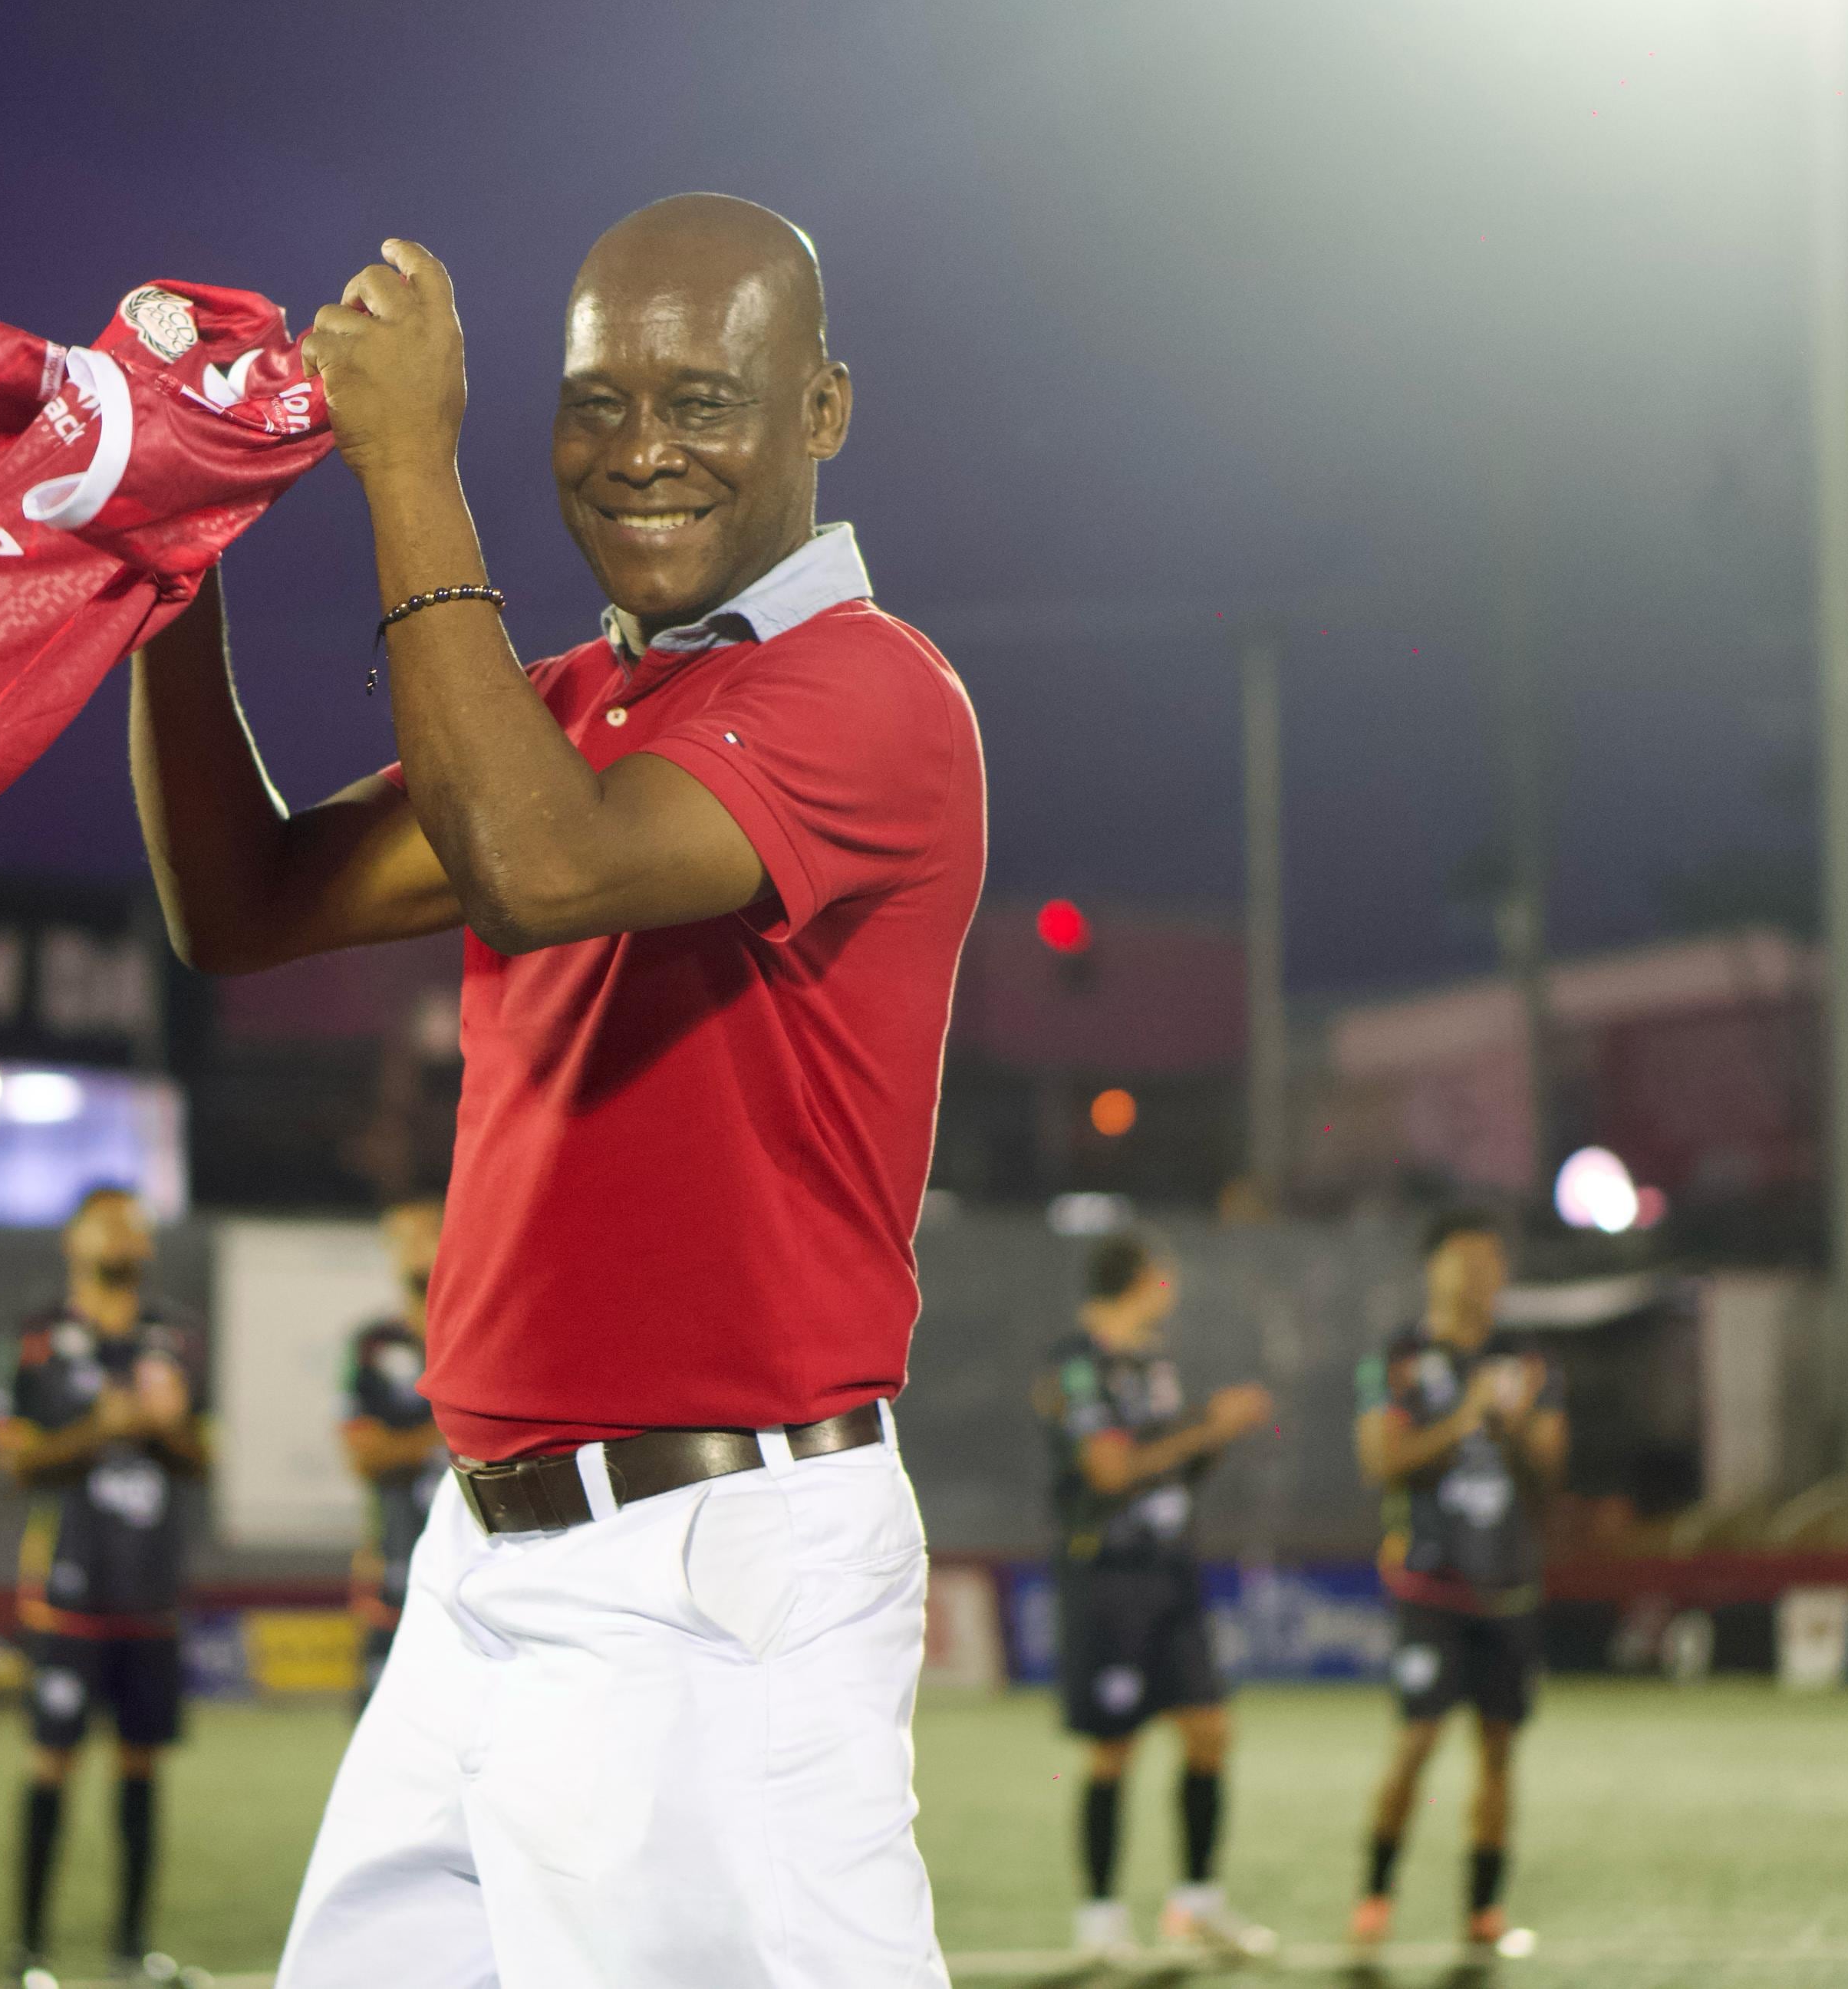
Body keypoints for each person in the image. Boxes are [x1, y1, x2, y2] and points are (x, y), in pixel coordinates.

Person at [130, 193, 986, 1985]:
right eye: (598, 401)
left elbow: (540, 866)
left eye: (703, 398)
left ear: (822, 413)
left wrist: (406, 470)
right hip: (493, 1557)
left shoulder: (874, 694)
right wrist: (169, 562)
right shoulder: (578, 702)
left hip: (706, 1574)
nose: (641, 449)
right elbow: (243, 906)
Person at [0, 1184, 210, 1986]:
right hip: (67, 1588)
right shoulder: (37, 1339)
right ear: (74, 1238)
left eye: (135, 1223)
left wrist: (167, 1425)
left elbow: (202, 1455)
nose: (126, 1233)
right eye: (109, 1219)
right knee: (51, 1762)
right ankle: (31, 1950)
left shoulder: (174, 1337)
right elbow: (10, 1459)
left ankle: (129, 1949)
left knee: (141, 1766)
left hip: (149, 1588)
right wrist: (99, 1428)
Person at [1035, 1230, 1278, 1959]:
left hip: (1171, 1568)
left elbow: (1164, 1469)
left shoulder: (1155, 1364)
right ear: (1137, 1279)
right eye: (1162, 1272)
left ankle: (1197, 1907)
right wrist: (1208, 1427)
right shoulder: (1077, 1365)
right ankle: (1100, 1925)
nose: (1170, 1284)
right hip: (1109, 1574)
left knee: (1209, 1731)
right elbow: (1110, 1472)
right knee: (1115, 1748)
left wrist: (1213, 1436)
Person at [1349, 1210, 1566, 1960]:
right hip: (1429, 1586)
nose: (1481, 1272)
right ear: (1432, 1268)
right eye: (1465, 1258)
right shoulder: (1397, 1359)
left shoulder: (1527, 1359)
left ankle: (1482, 1911)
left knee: (1499, 1751)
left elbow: (1546, 1475)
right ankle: (1373, 1895)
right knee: (1415, 1742)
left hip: (1507, 1587)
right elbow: (1381, 1461)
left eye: (1492, 1258)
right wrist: (1465, 1417)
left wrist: (1510, 1423)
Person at [337, 1196, 444, 1711]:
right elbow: (363, 1456)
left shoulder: (483, 1330)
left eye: (429, 1232)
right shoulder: (372, 1345)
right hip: (396, 1557)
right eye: (403, 1238)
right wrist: (451, 1432)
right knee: (382, 1730)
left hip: (479, 1562)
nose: (416, 1249)